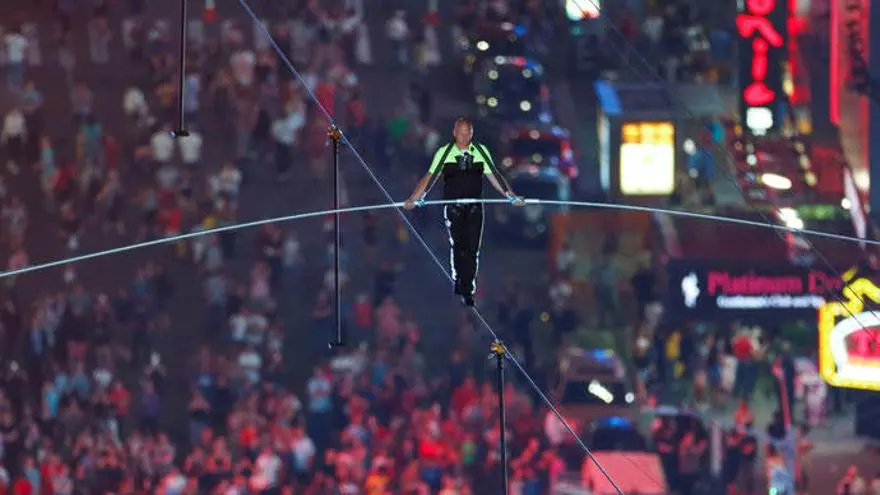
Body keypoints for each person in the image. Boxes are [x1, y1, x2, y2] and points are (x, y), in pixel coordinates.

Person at [404, 117, 523, 306]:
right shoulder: (444, 153)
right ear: (454, 133)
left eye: (468, 132)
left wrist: (510, 195)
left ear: (472, 133)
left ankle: (468, 287)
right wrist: (415, 198)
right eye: (461, 132)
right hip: (454, 208)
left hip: (475, 207)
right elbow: (430, 177)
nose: (464, 136)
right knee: (459, 246)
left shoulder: (481, 151)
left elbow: (494, 176)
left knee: (472, 249)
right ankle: (461, 283)